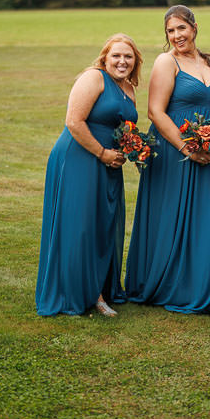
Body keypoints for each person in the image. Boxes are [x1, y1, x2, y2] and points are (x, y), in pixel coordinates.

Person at [124, 5, 210, 313]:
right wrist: (187, 148)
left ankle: (209, 288)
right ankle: (175, 286)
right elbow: (155, 111)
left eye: (181, 28)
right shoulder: (167, 62)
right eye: (170, 31)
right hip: (173, 152)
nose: (177, 35)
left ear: (194, 27)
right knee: (174, 221)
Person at [35, 34, 141, 317]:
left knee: (104, 224)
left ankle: (101, 288)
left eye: (128, 57)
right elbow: (74, 121)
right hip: (79, 158)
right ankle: (82, 293)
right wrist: (103, 153)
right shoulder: (93, 78)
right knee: (80, 225)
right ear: (105, 57)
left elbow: (123, 127)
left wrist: (130, 149)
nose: (122, 61)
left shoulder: (129, 88)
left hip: (108, 163)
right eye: (116, 55)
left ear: (135, 62)